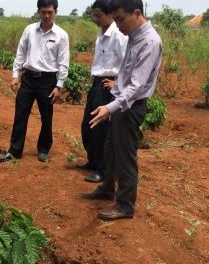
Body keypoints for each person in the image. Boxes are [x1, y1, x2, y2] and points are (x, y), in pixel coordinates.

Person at [81, 0, 163, 221]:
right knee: (111, 150)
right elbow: (124, 74)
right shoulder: (134, 38)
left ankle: (125, 205)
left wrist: (110, 107)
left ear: (136, 13)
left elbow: (136, 86)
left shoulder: (149, 42)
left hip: (131, 107)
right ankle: (108, 189)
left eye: (119, 19)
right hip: (121, 104)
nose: (117, 25)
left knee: (125, 157)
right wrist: (114, 95)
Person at [0, 0, 69, 162]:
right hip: (28, 79)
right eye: (43, 11)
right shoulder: (29, 30)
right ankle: (15, 150)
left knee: (46, 116)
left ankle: (43, 149)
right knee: (20, 114)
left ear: (55, 12)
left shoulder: (61, 35)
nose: (46, 15)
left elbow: (64, 63)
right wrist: (16, 75)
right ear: (38, 11)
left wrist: (59, 86)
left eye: (50, 12)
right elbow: (21, 53)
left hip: (48, 81)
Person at [76, 0, 128, 183]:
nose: (95, 19)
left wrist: (118, 82)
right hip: (97, 84)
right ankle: (92, 160)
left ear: (110, 15)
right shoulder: (101, 34)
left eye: (99, 15)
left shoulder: (118, 35)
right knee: (88, 125)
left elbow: (127, 62)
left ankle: (103, 169)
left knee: (100, 129)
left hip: (107, 86)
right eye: (94, 15)